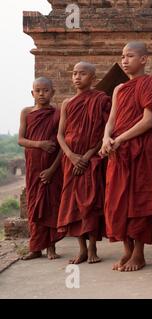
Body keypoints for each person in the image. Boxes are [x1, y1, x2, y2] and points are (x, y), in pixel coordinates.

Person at [100, 42, 152, 272]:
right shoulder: (119, 89)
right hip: (119, 153)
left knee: (138, 199)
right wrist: (105, 139)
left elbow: (147, 121)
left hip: (141, 150)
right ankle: (127, 251)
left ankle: (139, 254)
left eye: (130, 56)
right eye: (122, 56)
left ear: (143, 59)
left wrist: (120, 139)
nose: (124, 60)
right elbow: (111, 120)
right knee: (117, 200)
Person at [57, 62, 111, 264]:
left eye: (83, 73)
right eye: (74, 73)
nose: (77, 77)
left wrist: (87, 156)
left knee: (90, 203)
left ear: (93, 78)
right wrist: (71, 156)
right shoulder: (67, 103)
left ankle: (93, 248)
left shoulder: (100, 100)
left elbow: (104, 132)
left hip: (91, 159)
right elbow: (61, 135)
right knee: (73, 205)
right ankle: (81, 249)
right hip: (70, 160)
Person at [18, 77, 64, 260]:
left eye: (45, 90)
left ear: (52, 92)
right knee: (34, 205)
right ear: (32, 93)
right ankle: (36, 248)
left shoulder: (58, 113)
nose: (41, 94)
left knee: (51, 205)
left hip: (52, 167)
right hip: (33, 167)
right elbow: (20, 140)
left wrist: (53, 169)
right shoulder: (26, 112)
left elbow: (63, 144)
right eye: (38, 91)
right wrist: (40, 144)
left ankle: (51, 246)